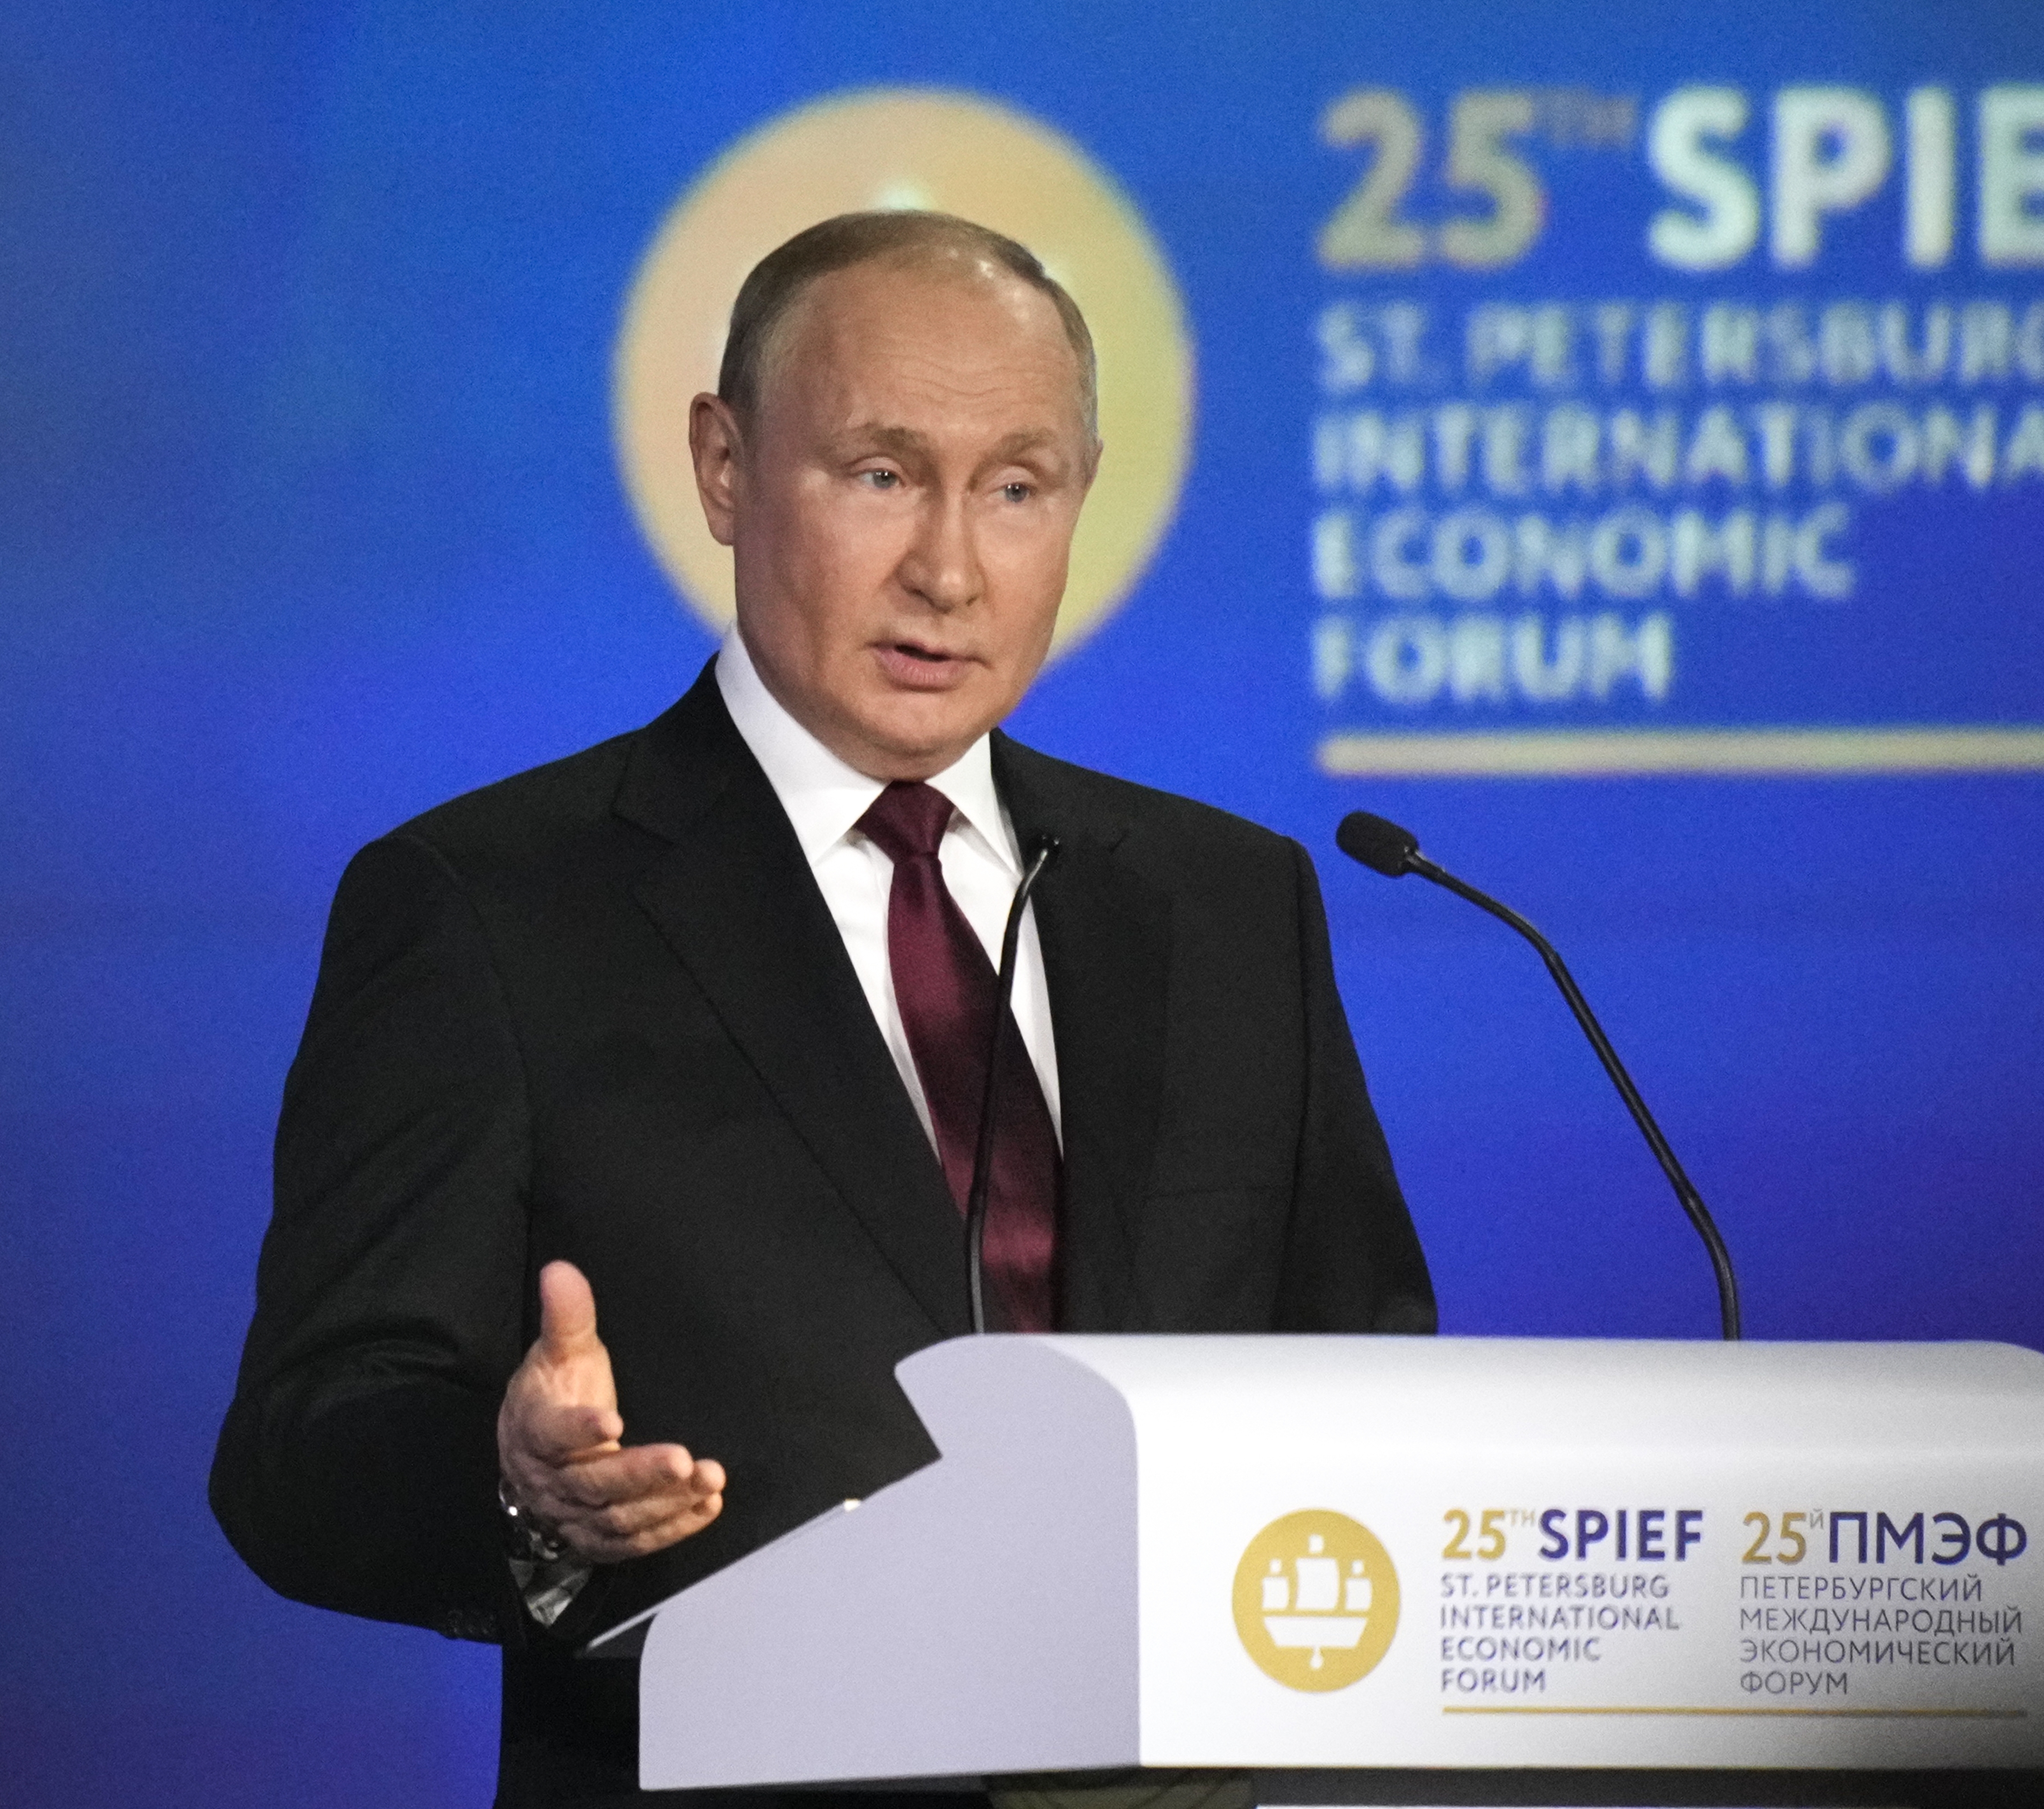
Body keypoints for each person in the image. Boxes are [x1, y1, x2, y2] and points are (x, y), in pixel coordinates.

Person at [211, 210, 1436, 1807]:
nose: (949, 566)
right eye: (878, 474)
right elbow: (304, 1452)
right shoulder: (485, 905)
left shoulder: (1227, 902)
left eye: (1016, 487)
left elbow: (1371, 1385)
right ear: (725, 469)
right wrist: (523, 1499)